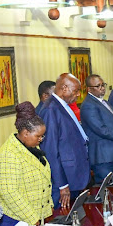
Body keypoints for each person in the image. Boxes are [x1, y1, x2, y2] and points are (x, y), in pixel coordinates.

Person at [0, 102, 53, 226]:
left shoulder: (31, 148)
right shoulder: (8, 155)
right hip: (16, 222)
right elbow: (9, 192)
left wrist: (48, 205)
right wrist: (32, 217)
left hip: (36, 218)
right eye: (38, 136)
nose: (41, 139)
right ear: (25, 133)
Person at [40, 73, 91, 209]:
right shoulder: (51, 110)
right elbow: (50, 150)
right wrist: (62, 184)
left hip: (74, 174)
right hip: (65, 178)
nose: (79, 94)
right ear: (64, 88)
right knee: (65, 217)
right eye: (76, 91)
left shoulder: (62, 105)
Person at [80, 74, 113, 183]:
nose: (102, 88)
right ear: (89, 89)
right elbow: (101, 129)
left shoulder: (104, 102)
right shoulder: (88, 105)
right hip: (102, 156)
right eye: (98, 86)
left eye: (103, 85)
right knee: (107, 189)